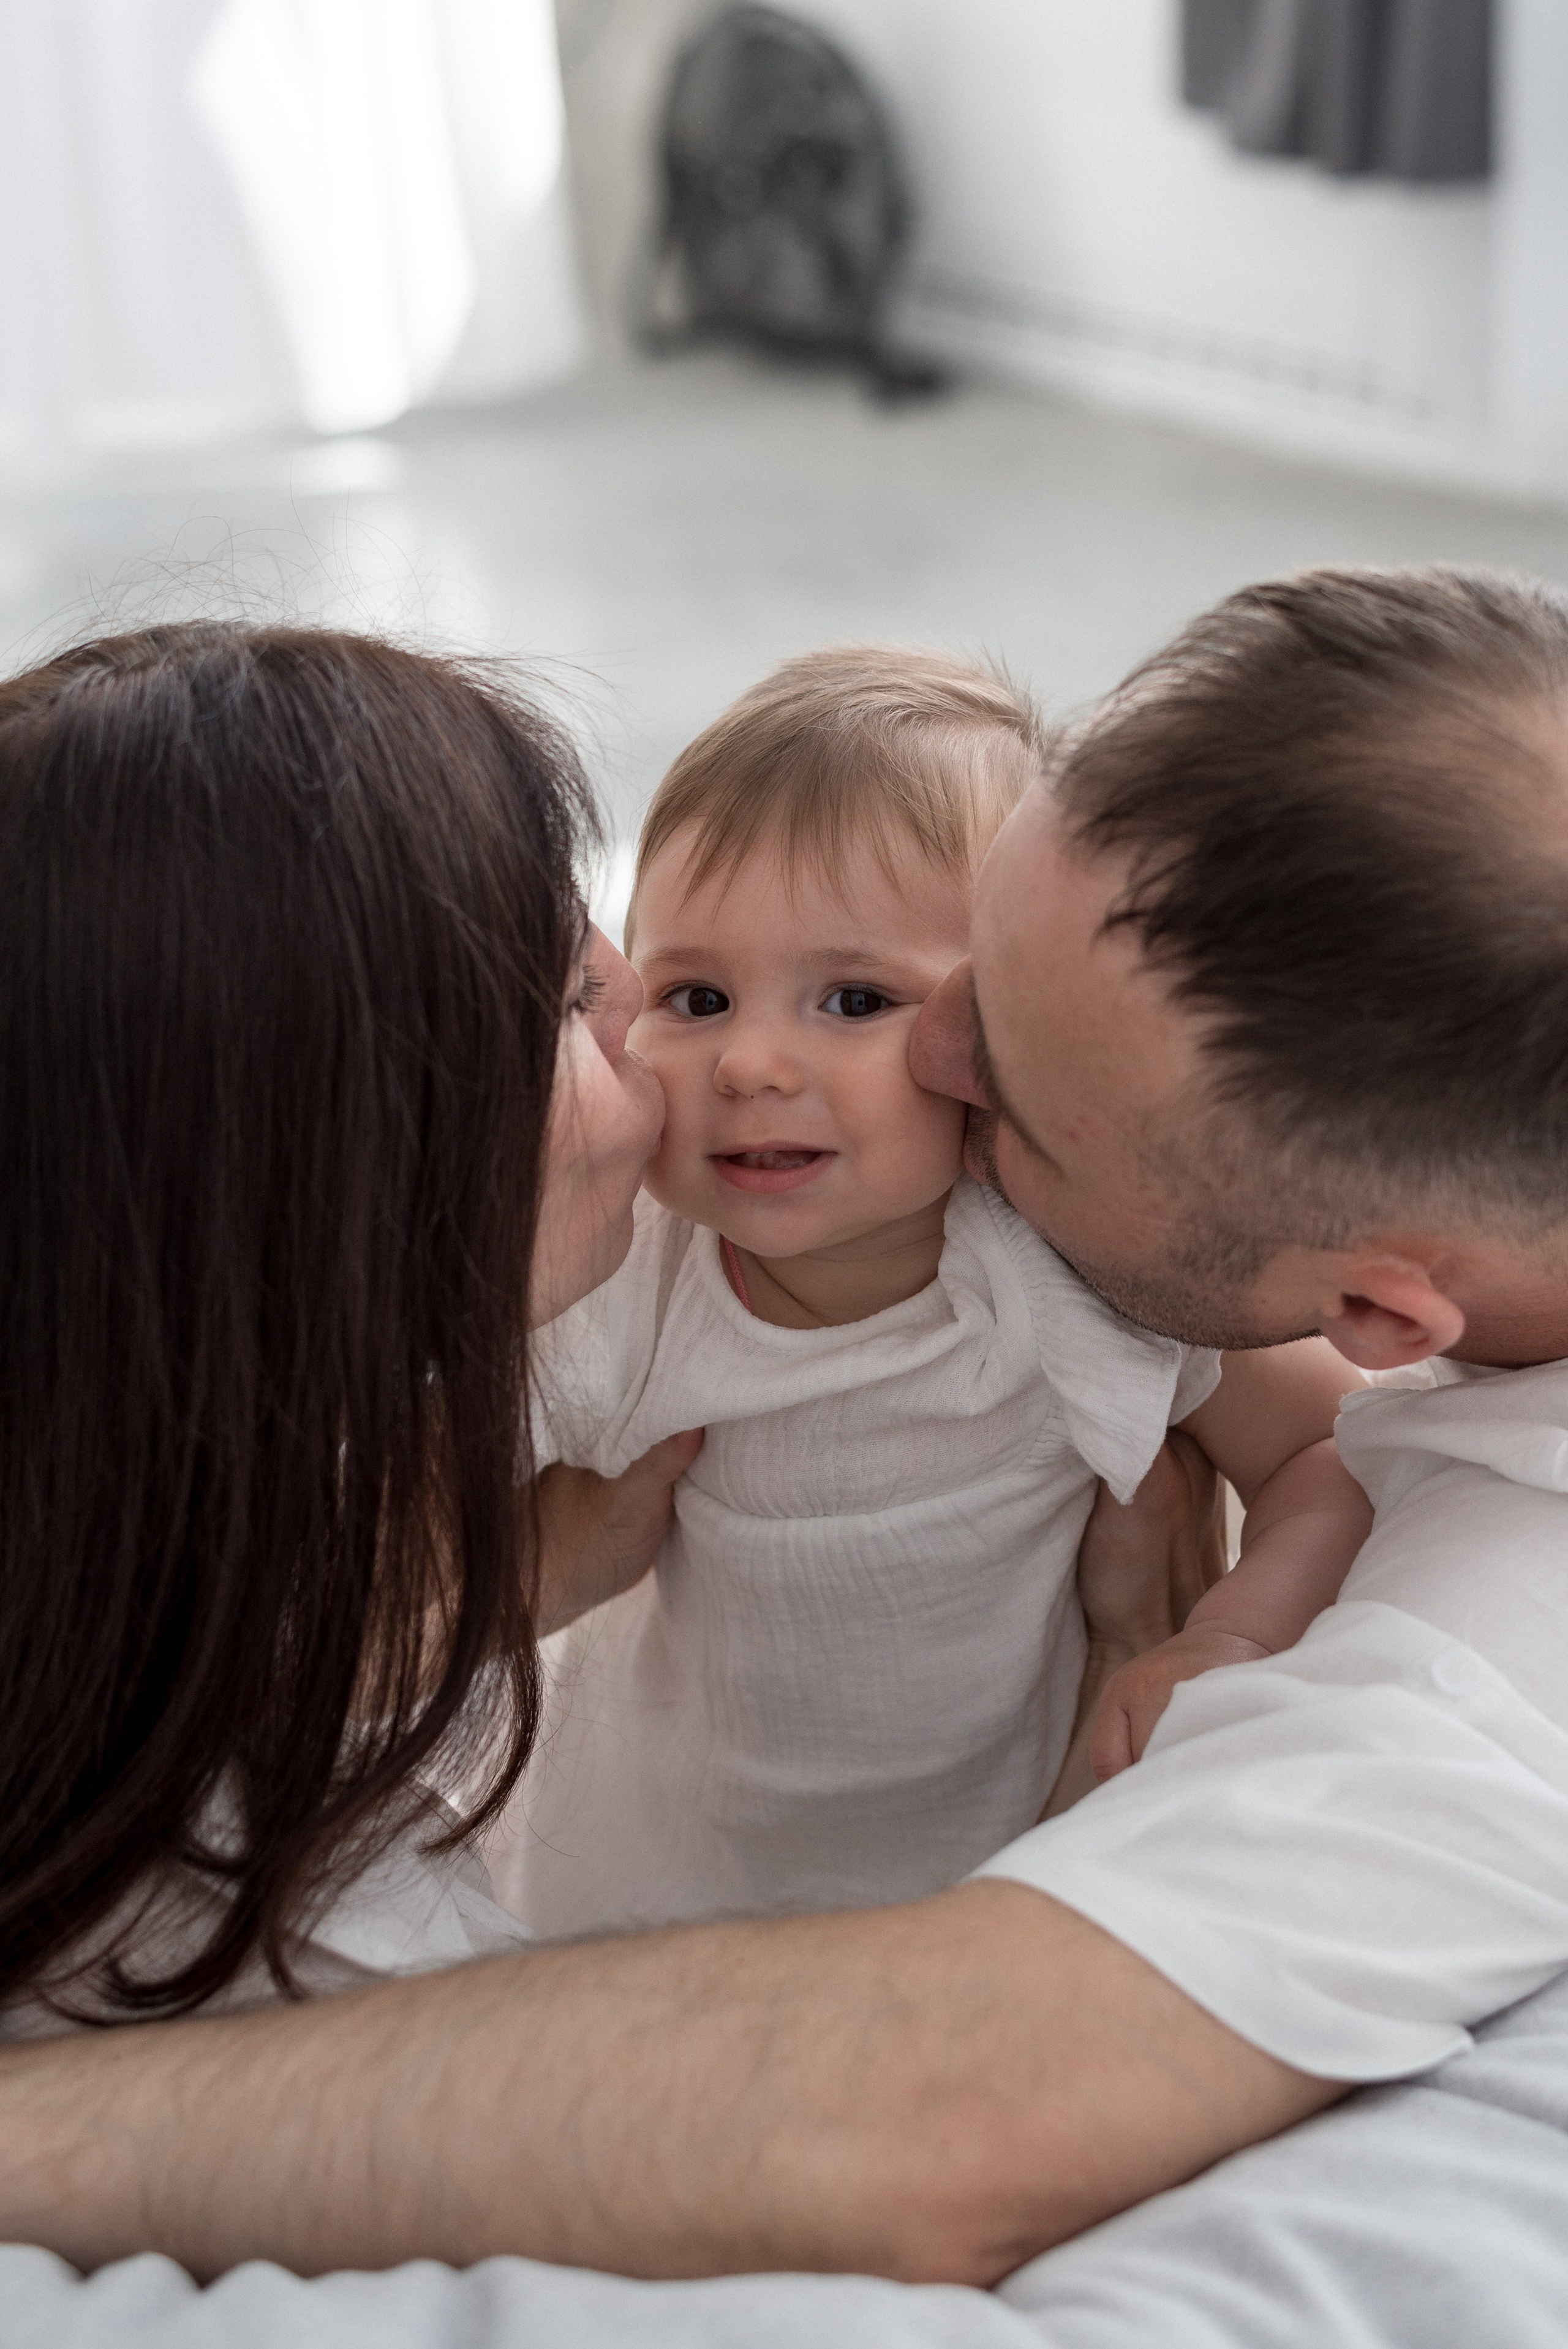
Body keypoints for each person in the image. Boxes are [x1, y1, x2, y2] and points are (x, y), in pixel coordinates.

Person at [6, 566, 1568, 2301]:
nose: (928, 1070)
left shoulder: (1482, 1666)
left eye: (1008, 1100)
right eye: (651, 988)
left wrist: (1193, 1632)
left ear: (1377, 1311)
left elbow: (927, 2121)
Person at [500, 645, 1368, 1938]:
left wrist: (1231, 1633)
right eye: (694, 995)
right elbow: (397, 1545)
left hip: (1003, 1854)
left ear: (1003, 1033)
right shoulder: (632, 1276)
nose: (748, 1061)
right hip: (662, 1873)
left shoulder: (1067, 1269)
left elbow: (1330, 1447)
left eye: (852, 999)